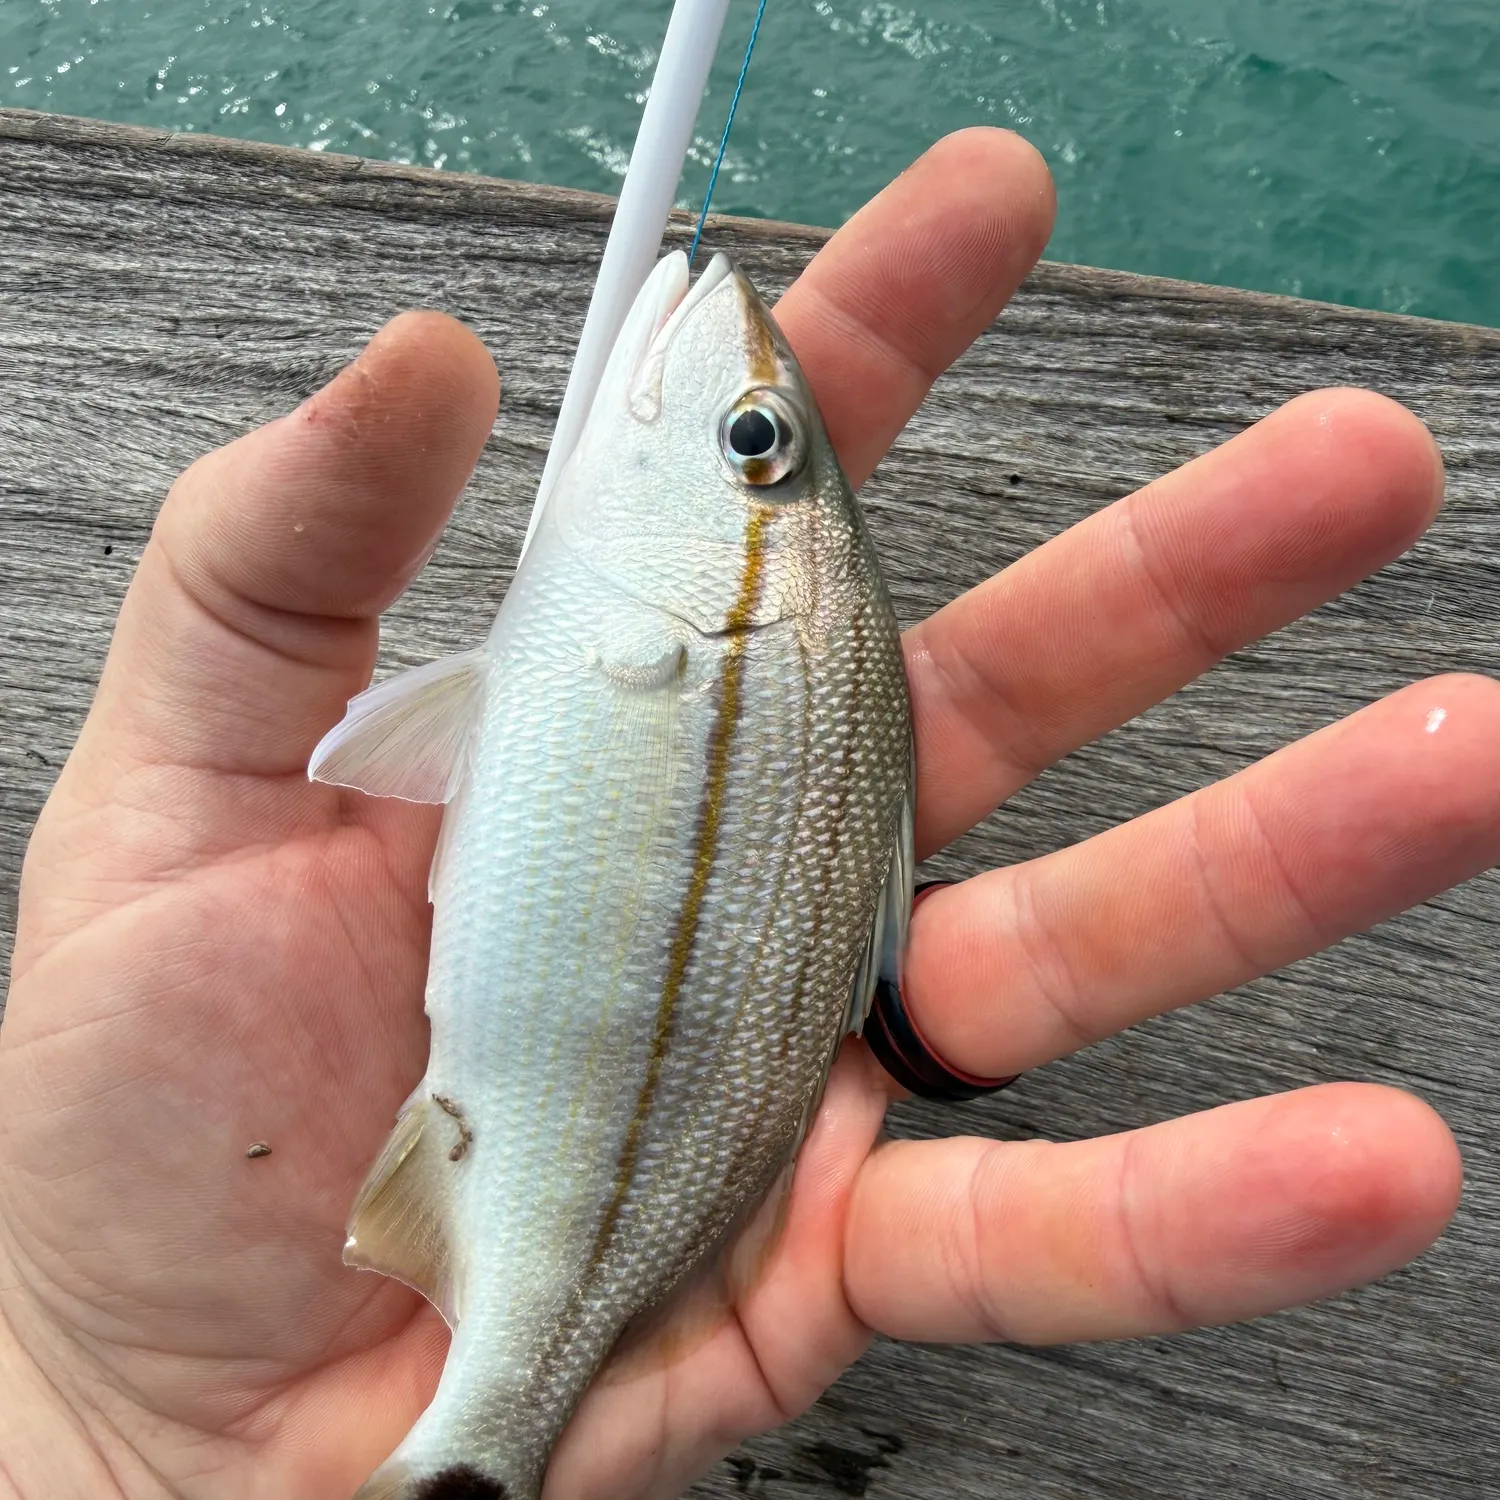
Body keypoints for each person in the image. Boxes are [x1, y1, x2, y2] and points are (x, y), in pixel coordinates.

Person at [0, 127, 1487, 1500]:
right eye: (766, 440)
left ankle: (484, 1435)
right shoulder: (651, 633)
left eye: (750, 445)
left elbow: (409, 746)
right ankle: (488, 1426)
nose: (745, 417)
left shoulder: (667, 639)